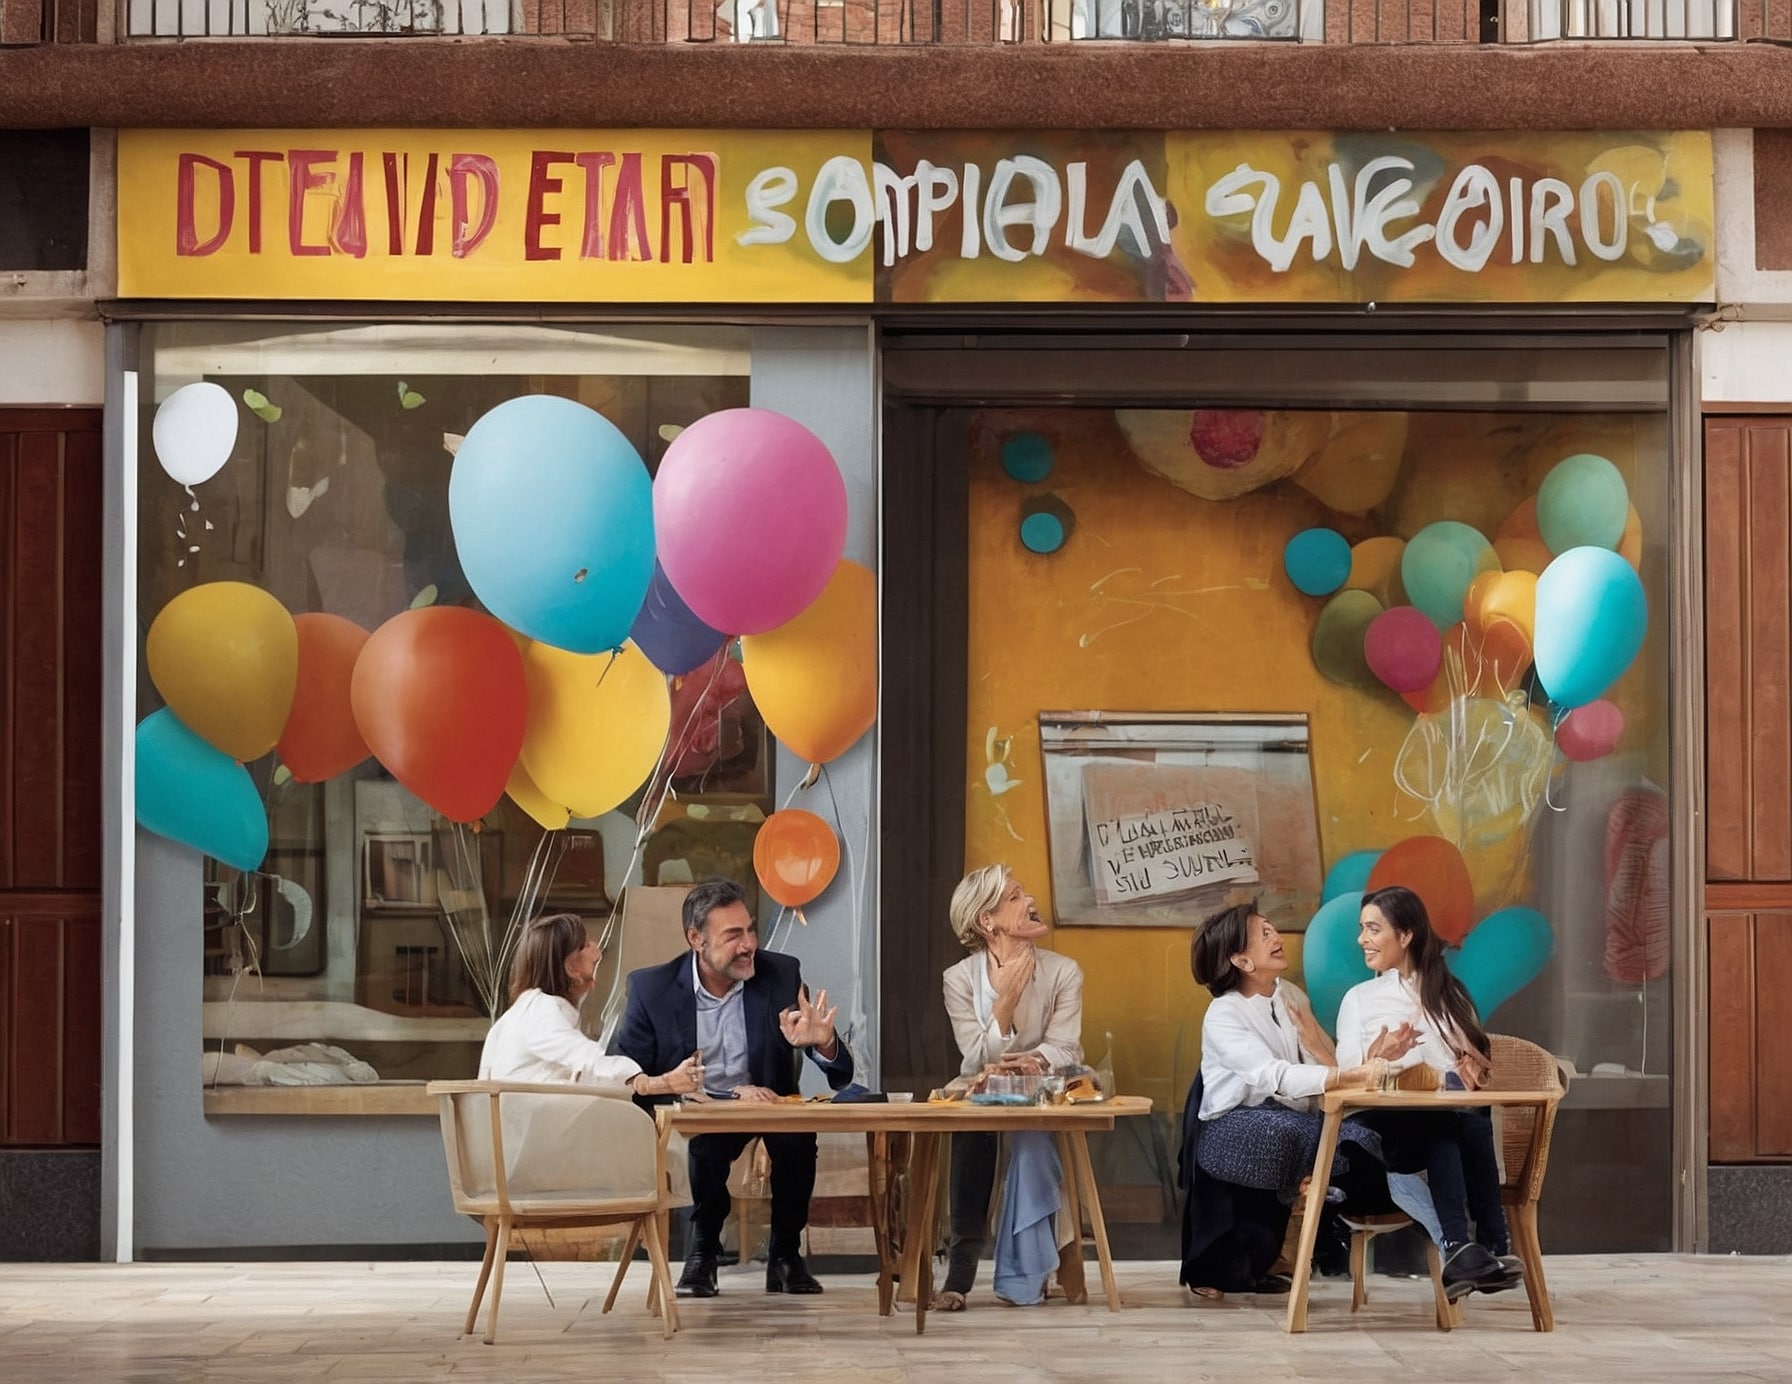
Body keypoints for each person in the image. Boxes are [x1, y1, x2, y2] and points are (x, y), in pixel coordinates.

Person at [611, 877, 854, 1300]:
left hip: (769, 1105)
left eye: (750, 930)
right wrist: (720, 1094)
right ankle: (703, 1253)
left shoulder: (780, 974)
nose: (749, 945)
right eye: (733, 935)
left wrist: (822, 1043)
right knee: (707, 1145)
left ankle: (785, 1256)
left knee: (797, 1137)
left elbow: (840, 1072)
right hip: (701, 1111)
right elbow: (621, 1071)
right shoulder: (653, 989)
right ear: (696, 939)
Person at [1181, 901, 1396, 1298]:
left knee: (1361, 1137)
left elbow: (1321, 1062)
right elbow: (1274, 1076)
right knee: (1286, 1132)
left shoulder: (1290, 996)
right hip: (1233, 1124)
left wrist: (1356, 1064)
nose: (1277, 937)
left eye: (1272, 928)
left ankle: (1324, 1200)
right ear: (1241, 960)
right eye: (1264, 934)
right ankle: (1318, 1200)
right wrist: (1348, 1076)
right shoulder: (1224, 1014)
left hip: (1292, 1116)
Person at [1335, 884, 1523, 1299]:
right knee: (1451, 1124)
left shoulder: (1449, 995)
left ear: (1406, 936)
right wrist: (1378, 1056)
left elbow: (1467, 1073)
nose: (1362, 939)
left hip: (1439, 1123)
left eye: (1372, 929)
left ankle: (1471, 1249)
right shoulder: (1359, 999)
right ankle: (1490, 1245)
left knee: (1463, 1120)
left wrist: (1466, 1067)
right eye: (1362, 929)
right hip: (1374, 1133)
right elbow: (1346, 1074)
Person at [936, 865, 1084, 1311]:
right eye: (1016, 897)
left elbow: (1066, 1046)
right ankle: (960, 1274)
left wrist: (1032, 1061)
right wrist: (1004, 1005)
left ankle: (1025, 1274)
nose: (1030, 900)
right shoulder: (959, 978)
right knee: (972, 1126)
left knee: (1033, 1137)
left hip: (1043, 1086)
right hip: (981, 1085)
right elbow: (973, 1059)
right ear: (987, 920)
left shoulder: (1064, 971)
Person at [478, 911, 704, 1100]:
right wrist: (659, 1083)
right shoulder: (541, 1010)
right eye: (585, 945)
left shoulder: (526, 1009)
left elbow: (580, 1075)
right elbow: (588, 1062)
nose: (597, 951)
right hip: (533, 1135)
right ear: (571, 968)